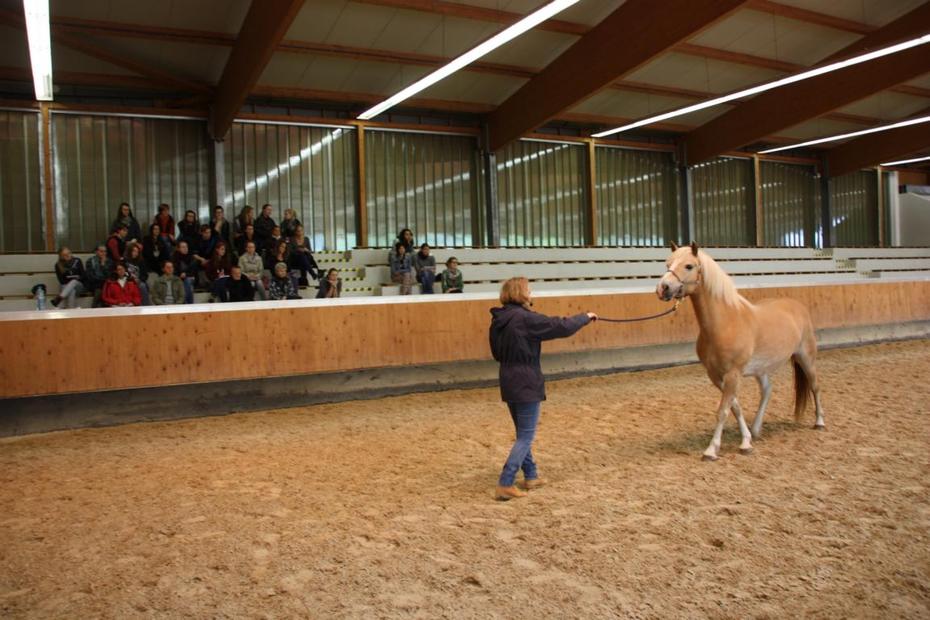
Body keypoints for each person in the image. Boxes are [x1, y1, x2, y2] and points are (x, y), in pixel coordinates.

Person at [489, 277, 597, 501]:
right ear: (520, 293)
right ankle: (506, 482)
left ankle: (531, 475)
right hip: (526, 379)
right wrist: (584, 317)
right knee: (526, 437)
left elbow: (496, 354)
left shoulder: (498, 320)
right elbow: (561, 326)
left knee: (522, 433)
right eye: (529, 289)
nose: (531, 292)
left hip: (508, 378)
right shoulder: (525, 318)